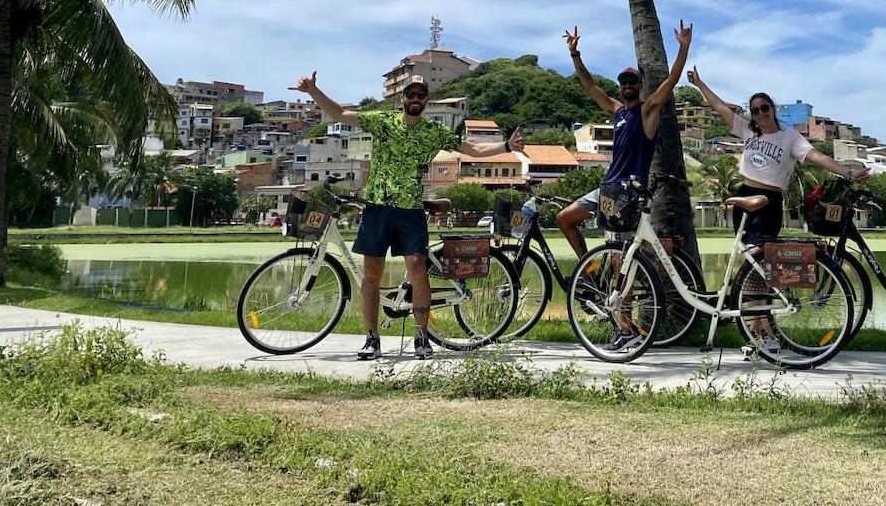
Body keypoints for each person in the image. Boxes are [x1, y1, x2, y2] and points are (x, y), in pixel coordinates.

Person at [289, 71, 524, 360]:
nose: (415, 99)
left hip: (411, 209)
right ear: (401, 98)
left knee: (417, 269)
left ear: (427, 100)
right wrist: (314, 91)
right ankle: (372, 339)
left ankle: (422, 337)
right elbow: (339, 113)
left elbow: (473, 149)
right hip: (377, 207)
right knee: (372, 274)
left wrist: (508, 147)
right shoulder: (382, 121)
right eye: (410, 94)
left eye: (420, 95)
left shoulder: (434, 132)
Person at [556, 21, 693, 258]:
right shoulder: (617, 111)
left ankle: (626, 293)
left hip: (629, 192)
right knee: (564, 218)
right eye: (624, 82)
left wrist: (684, 47)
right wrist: (574, 53)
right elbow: (589, 85)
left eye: (632, 81)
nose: (627, 85)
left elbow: (671, 81)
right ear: (620, 86)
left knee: (620, 257)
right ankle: (588, 271)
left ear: (640, 85)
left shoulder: (647, 111)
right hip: (608, 188)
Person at [685, 68, 866, 244]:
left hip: (769, 200)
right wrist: (699, 84)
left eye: (764, 108)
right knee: (747, 255)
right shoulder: (747, 131)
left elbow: (817, 156)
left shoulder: (790, 137)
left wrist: (848, 172)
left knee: (759, 252)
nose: (761, 114)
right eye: (755, 111)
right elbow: (721, 108)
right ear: (752, 115)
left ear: (773, 109)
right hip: (745, 194)